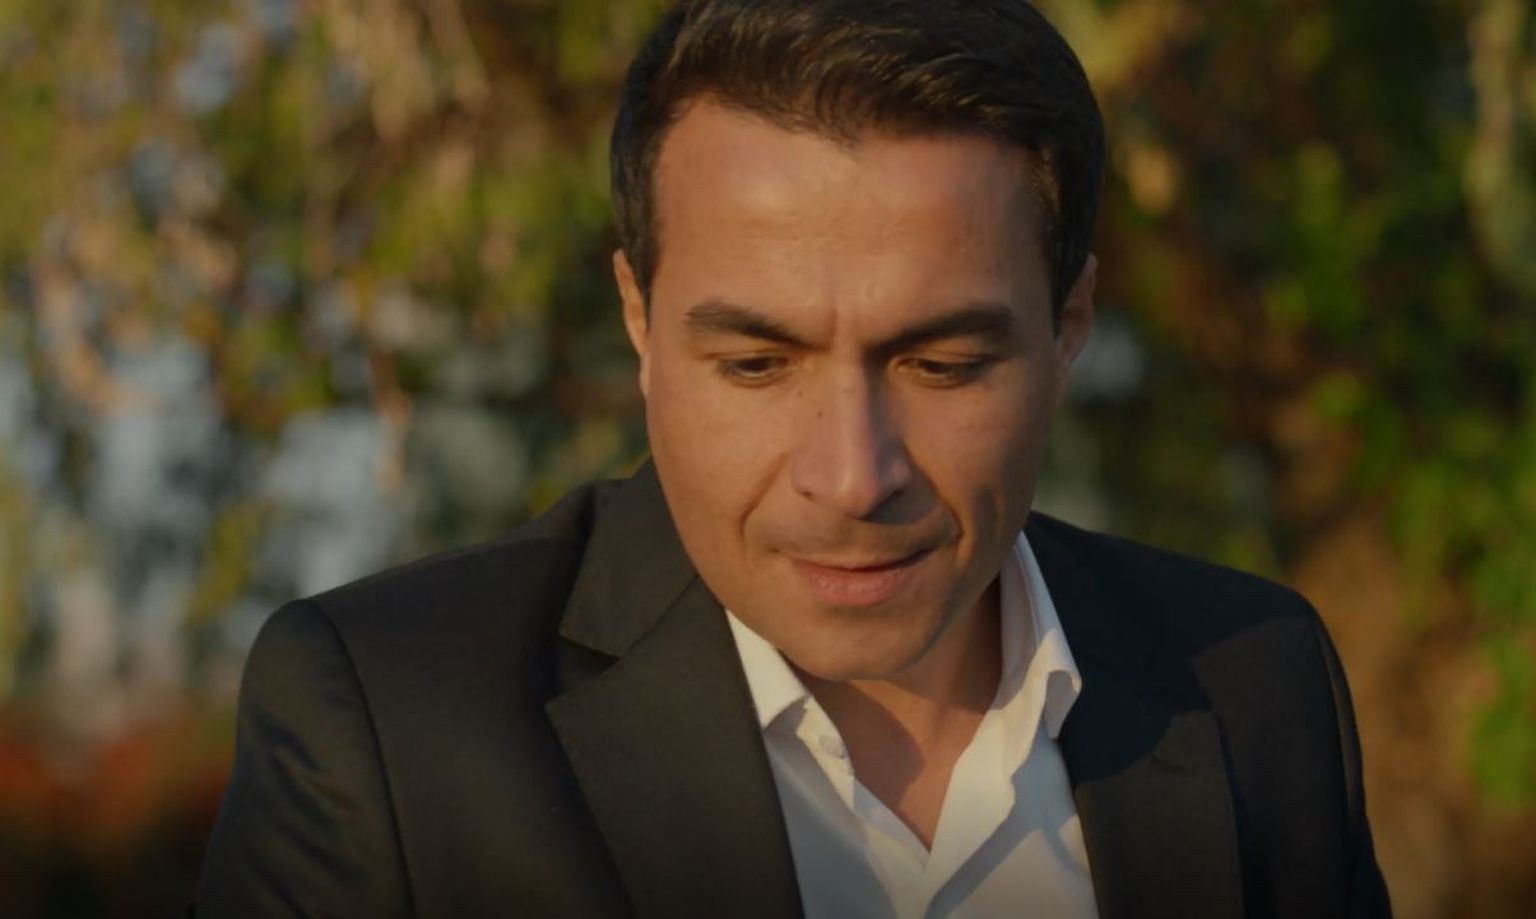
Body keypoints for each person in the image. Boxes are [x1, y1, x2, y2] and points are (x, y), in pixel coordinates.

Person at [195, 1, 1392, 917]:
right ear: (638, 318)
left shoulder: (1253, 682)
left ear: (1069, 322)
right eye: (757, 364)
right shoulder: (391, 729)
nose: (853, 476)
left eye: (942, 364)